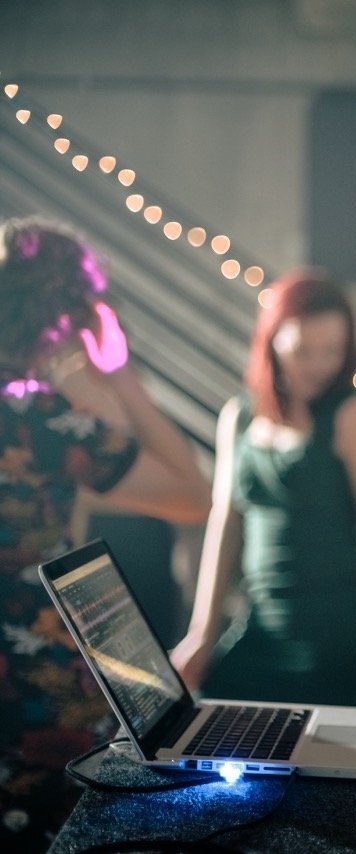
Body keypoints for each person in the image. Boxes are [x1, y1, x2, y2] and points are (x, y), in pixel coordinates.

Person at [0, 216, 211, 852]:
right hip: (34, 680)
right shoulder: (43, 422)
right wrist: (117, 373)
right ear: (65, 317)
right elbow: (192, 495)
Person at [170, 269, 356, 707]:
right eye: (303, 351)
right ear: (272, 341)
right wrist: (202, 631)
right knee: (210, 709)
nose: (319, 365)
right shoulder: (239, 416)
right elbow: (226, 522)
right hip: (261, 620)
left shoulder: (353, 416)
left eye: (332, 351)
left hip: (337, 631)